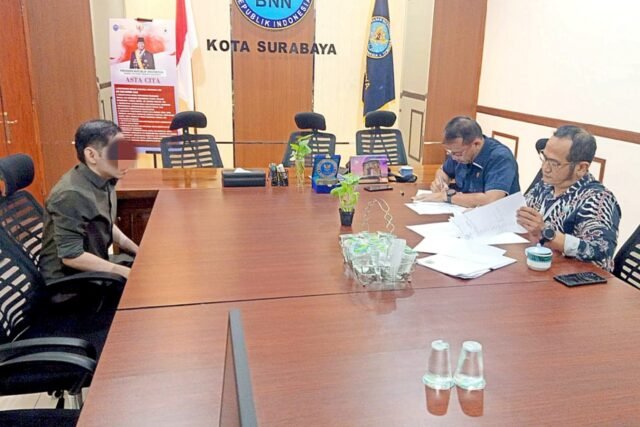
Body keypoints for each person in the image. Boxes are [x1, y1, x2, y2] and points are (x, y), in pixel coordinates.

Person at [39, 120, 138, 283]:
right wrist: (125, 272)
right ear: (91, 155)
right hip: (71, 283)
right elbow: (71, 256)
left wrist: (137, 250)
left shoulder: (105, 178)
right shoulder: (70, 194)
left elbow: (103, 221)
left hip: (95, 266)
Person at [517, 125, 621, 271]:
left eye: (554, 163)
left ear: (581, 168)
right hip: (541, 266)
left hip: (579, 279)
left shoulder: (598, 200)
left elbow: (600, 250)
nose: (545, 168)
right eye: (544, 158)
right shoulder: (545, 185)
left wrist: (546, 232)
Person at [414, 116, 520, 207]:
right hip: (464, 212)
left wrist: (447, 197)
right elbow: (443, 171)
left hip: (498, 219)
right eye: (450, 152)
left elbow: (490, 200)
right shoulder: (460, 151)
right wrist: (441, 182)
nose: (453, 158)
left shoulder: (500, 158)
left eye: (457, 153)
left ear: (476, 144)